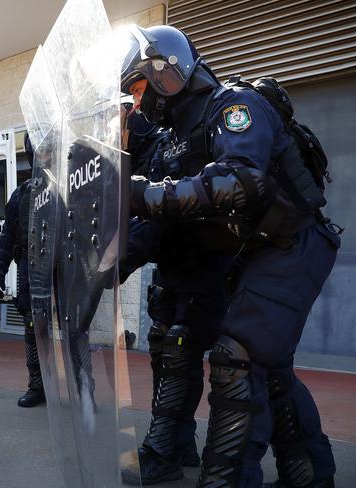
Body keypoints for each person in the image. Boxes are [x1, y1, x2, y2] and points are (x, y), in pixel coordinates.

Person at [121, 25, 340, 488]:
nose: (137, 105)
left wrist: (142, 194)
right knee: (270, 369)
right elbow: (169, 218)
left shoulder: (234, 106)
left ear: (165, 72)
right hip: (253, 252)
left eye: (138, 89)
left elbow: (242, 181)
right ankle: (310, 475)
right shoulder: (177, 137)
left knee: (236, 358)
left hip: (294, 242)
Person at [121, 106, 233, 484]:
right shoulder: (156, 147)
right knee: (165, 350)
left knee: (180, 351)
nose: (136, 104)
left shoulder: (175, 142)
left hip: (203, 265)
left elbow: (161, 218)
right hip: (172, 271)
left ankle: (162, 453)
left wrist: (117, 262)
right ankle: (180, 443)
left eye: (135, 96)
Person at [0, 132, 45, 408]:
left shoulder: (69, 187)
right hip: (29, 266)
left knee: (72, 332)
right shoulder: (21, 194)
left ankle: (81, 388)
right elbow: (7, 235)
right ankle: (37, 385)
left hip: (63, 268)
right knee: (33, 328)